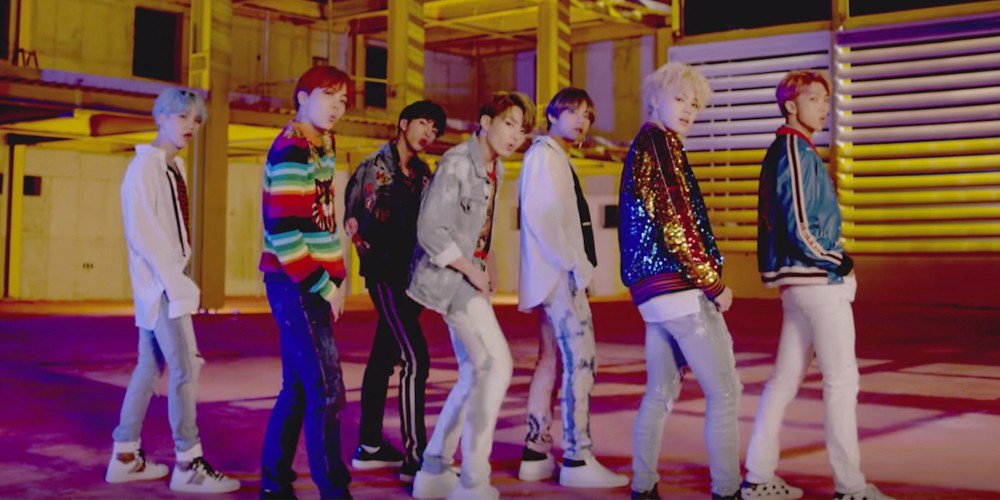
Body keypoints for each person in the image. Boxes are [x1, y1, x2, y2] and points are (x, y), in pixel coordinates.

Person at [741, 70, 891, 500]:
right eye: (814, 99)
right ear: (791, 106)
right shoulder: (793, 149)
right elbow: (799, 225)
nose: (824, 107)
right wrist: (838, 262)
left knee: (785, 380)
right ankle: (850, 487)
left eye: (826, 100)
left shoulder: (798, 148)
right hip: (816, 281)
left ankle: (757, 476)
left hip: (803, 284)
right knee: (842, 381)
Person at [107, 87, 240, 494]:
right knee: (184, 368)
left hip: (165, 282)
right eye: (182, 117)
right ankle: (188, 463)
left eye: (196, 120)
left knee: (150, 366)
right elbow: (144, 235)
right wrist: (177, 284)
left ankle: (125, 457)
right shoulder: (144, 169)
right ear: (161, 117)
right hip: (162, 285)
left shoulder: (171, 167)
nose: (191, 126)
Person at [619, 63, 742, 500]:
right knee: (725, 391)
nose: (689, 109)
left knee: (659, 392)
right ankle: (728, 490)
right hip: (680, 289)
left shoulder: (644, 145)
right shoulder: (661, 145)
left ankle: (644, 486)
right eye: (679, 98)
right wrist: (714, 284)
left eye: (694, 103)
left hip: (652, 294)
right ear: (654, 100)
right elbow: (676, 224)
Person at [407, 91, 534, 500]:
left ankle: (434, 468)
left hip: (467, 278)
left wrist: (486, 268)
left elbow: (480, 229)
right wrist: (470, 270)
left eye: (522, 130)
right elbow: (430, 230)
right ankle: (473, 480)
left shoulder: (496, 168)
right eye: (509, 124)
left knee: (477, 370)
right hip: (450, 279)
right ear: (486, 121)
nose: (515, 136)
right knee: (496, 365)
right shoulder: (458, 163)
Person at [516, 87, 628, 489]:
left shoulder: (551, 157)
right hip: (559, 278)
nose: (583, 121)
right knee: (582, 362)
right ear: (553, 114)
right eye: (574, 112)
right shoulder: (546, 156)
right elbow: (544, 221)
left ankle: (536, 451)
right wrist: (576, 267)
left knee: (550, 360)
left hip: (552, 277)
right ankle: (578, 456)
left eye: (588, 116)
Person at [258, 65, 354, 499]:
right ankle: (334, 490)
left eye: (343, 100)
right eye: (327, 95)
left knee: (298, 387)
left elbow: (321, 222)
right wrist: (325, 286)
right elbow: (283, 233)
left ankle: (274, 483)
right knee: (326, 390)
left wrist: (338, 276)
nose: (336, 107)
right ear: (302, 97)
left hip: (312, 280)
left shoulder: (324, 143)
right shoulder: (292, 148)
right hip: (295, 283)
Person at [343, 100, 447, 482]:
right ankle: (415, 459)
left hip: (412, 277)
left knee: (383, 357)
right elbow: (354, 219)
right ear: (404, 123)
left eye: (434, 130)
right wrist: (375, 261)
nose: (428, 133)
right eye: (423, 123)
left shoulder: (422, 173)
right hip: (385, 276)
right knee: (415, 358)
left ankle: (369, 445)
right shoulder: (375, 166)